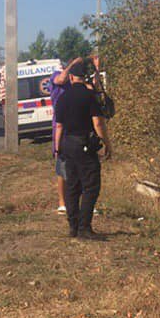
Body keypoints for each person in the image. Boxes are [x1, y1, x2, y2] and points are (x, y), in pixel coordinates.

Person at [54, 61, 112, 239]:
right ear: (82, 78)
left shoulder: (63, 98)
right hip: (85, 145)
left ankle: (73, 227)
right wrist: (107, 143)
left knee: (72, 187)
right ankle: (84, 228)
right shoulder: (89, 96)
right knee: (91, 186)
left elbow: (59, 126)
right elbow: (98, 123)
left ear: (71, 78)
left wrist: (58, 149)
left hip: (67, 145)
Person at [50, 57, 84, 214]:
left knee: (81, 167)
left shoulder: (75, 81)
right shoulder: (56, 76)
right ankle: (62, 202)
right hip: (60, 128)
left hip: (76, 128)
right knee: (62, 167)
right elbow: (61, 79)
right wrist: (73, 65)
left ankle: (81, 201)